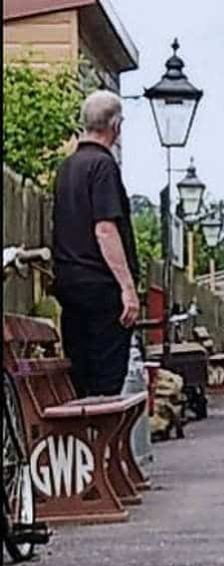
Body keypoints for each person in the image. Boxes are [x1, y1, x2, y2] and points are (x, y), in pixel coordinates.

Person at [51, 90, 140, 398]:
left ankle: (87, 443)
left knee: (81, 378)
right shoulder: (103, 167)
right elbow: (105, 229)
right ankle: (104, 444)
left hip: (69, 286)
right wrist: (127, 288)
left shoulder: (66, 169)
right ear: (116, 126)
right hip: (101, 289)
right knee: (107, 381)